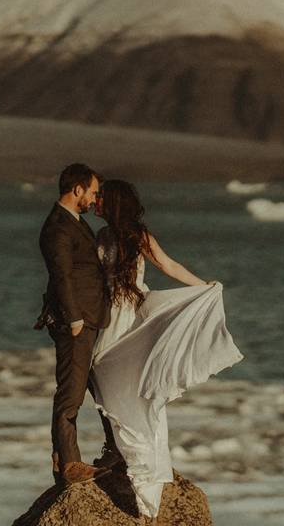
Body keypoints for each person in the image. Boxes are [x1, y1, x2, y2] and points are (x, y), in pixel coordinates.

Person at [89, 179, 243, 517]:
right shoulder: (101, 237)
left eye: (101, 197)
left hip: (129, 314)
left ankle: (135, 462)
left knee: (128, 384)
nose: (95, 201)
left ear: (113, 203)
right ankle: (116, 448)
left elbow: (168, 265)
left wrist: (204, 287)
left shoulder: (137, 236)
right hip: (107, 315)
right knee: (100, 376)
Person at [36, 163, 119, 487]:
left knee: (99, 388)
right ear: (78, 189)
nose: (95, 199)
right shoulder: (57, 227)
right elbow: (62, 277)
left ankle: (108, 451)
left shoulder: (75, 222)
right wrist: (73, 319)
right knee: (70, 395)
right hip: (77, 322)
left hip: (90, 318)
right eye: (94, 192)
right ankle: (69, 464)